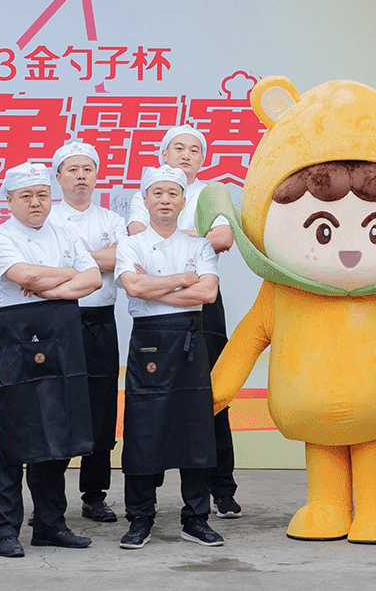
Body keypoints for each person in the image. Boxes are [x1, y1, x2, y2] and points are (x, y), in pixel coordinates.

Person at [0, 162, 102, 557]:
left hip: (63, 337)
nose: (35, 203)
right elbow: (26, 277)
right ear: (10, 200)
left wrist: (50, 287)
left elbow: (93, 279)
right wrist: (66, 276)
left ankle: (50, 524)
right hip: (19, 341)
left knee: (59, 431)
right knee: (12, 437)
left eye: (42, 195)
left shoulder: (66, 233)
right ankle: (4, 530)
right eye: (26, 196)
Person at [125, 124, 242, 519]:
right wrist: (191, 248)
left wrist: (175, 241)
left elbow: (223, 238)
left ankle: (221, 488)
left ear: (203, 158)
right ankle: (147, 500)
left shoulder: (212, 193)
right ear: (164, 154)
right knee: (155, 402)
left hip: (201, 307)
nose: (186, 155)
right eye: (179, 147)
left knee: (211, 395)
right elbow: (139, 235)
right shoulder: (146, 192)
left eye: (195, 149)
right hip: (162, 309)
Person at [113, 165, 224, 550]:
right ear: (145, 201)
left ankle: (196, 518)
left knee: (196, 430)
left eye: (172, 194)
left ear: (182, 201)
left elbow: (207, 294)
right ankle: (140, 517)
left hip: (190, 340)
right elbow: (133, 286)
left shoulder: (199, 246)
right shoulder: (131, 244)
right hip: (149, 343)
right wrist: (182, 279)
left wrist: (154, 288)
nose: (165, 200)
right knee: (144, 429)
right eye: (157, 193)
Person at [49, 140, 125, 524]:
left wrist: (74, 259)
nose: (81, 176)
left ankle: (95, 495)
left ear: (96, 176)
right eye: (73, 169)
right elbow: (44, 263)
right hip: (59, 321)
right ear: (59, 176)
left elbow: (121, 258)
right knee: (57, 407)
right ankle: (49, 500)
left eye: (88, 169)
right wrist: (96, 258)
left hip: (101, 323)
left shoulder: (111, 219)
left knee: (101, 408)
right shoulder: (47, 217)